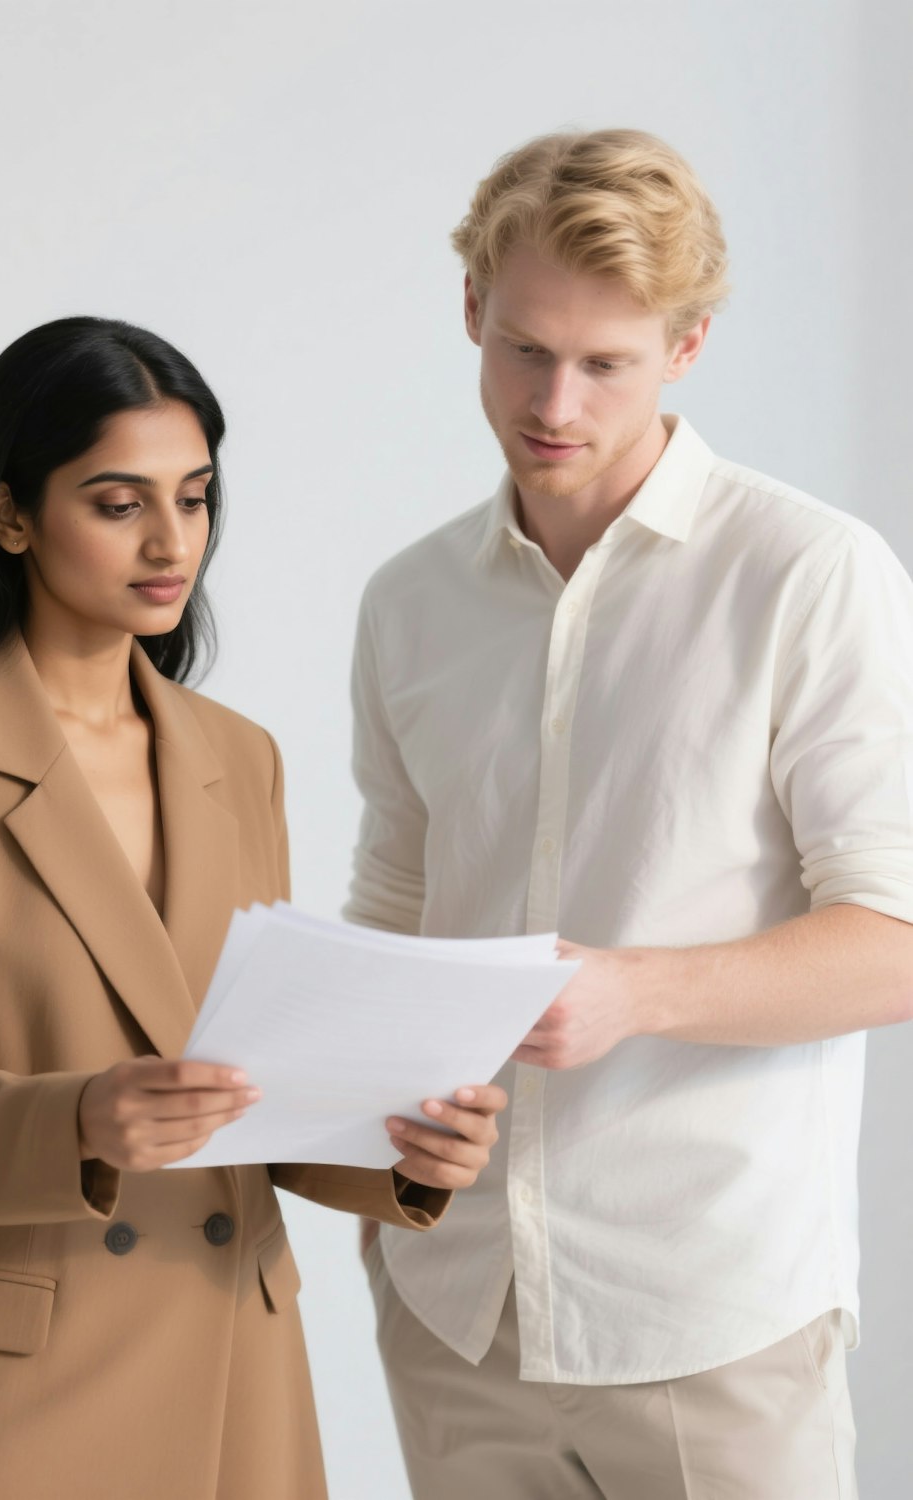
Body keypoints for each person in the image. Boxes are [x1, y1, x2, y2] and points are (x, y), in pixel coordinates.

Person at [0, 316, 507, 1500]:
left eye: (197, 497)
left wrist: (405, 1146)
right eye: (119, 503)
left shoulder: (238, 757)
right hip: (7, 1389)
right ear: (12, 514)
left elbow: (248, 1089)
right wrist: (77, 1121)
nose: (173, 542)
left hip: (231, 1359)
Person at [348, 129, 913, 1500]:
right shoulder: (410, 602)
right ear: (471, 310)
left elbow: (895, 936)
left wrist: (633, 993)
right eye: (524, 349)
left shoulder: (808, 575)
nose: (555, 402)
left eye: (606, 363)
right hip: (456, 1309)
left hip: (711, 1318)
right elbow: (391, 922)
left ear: (688, 345)